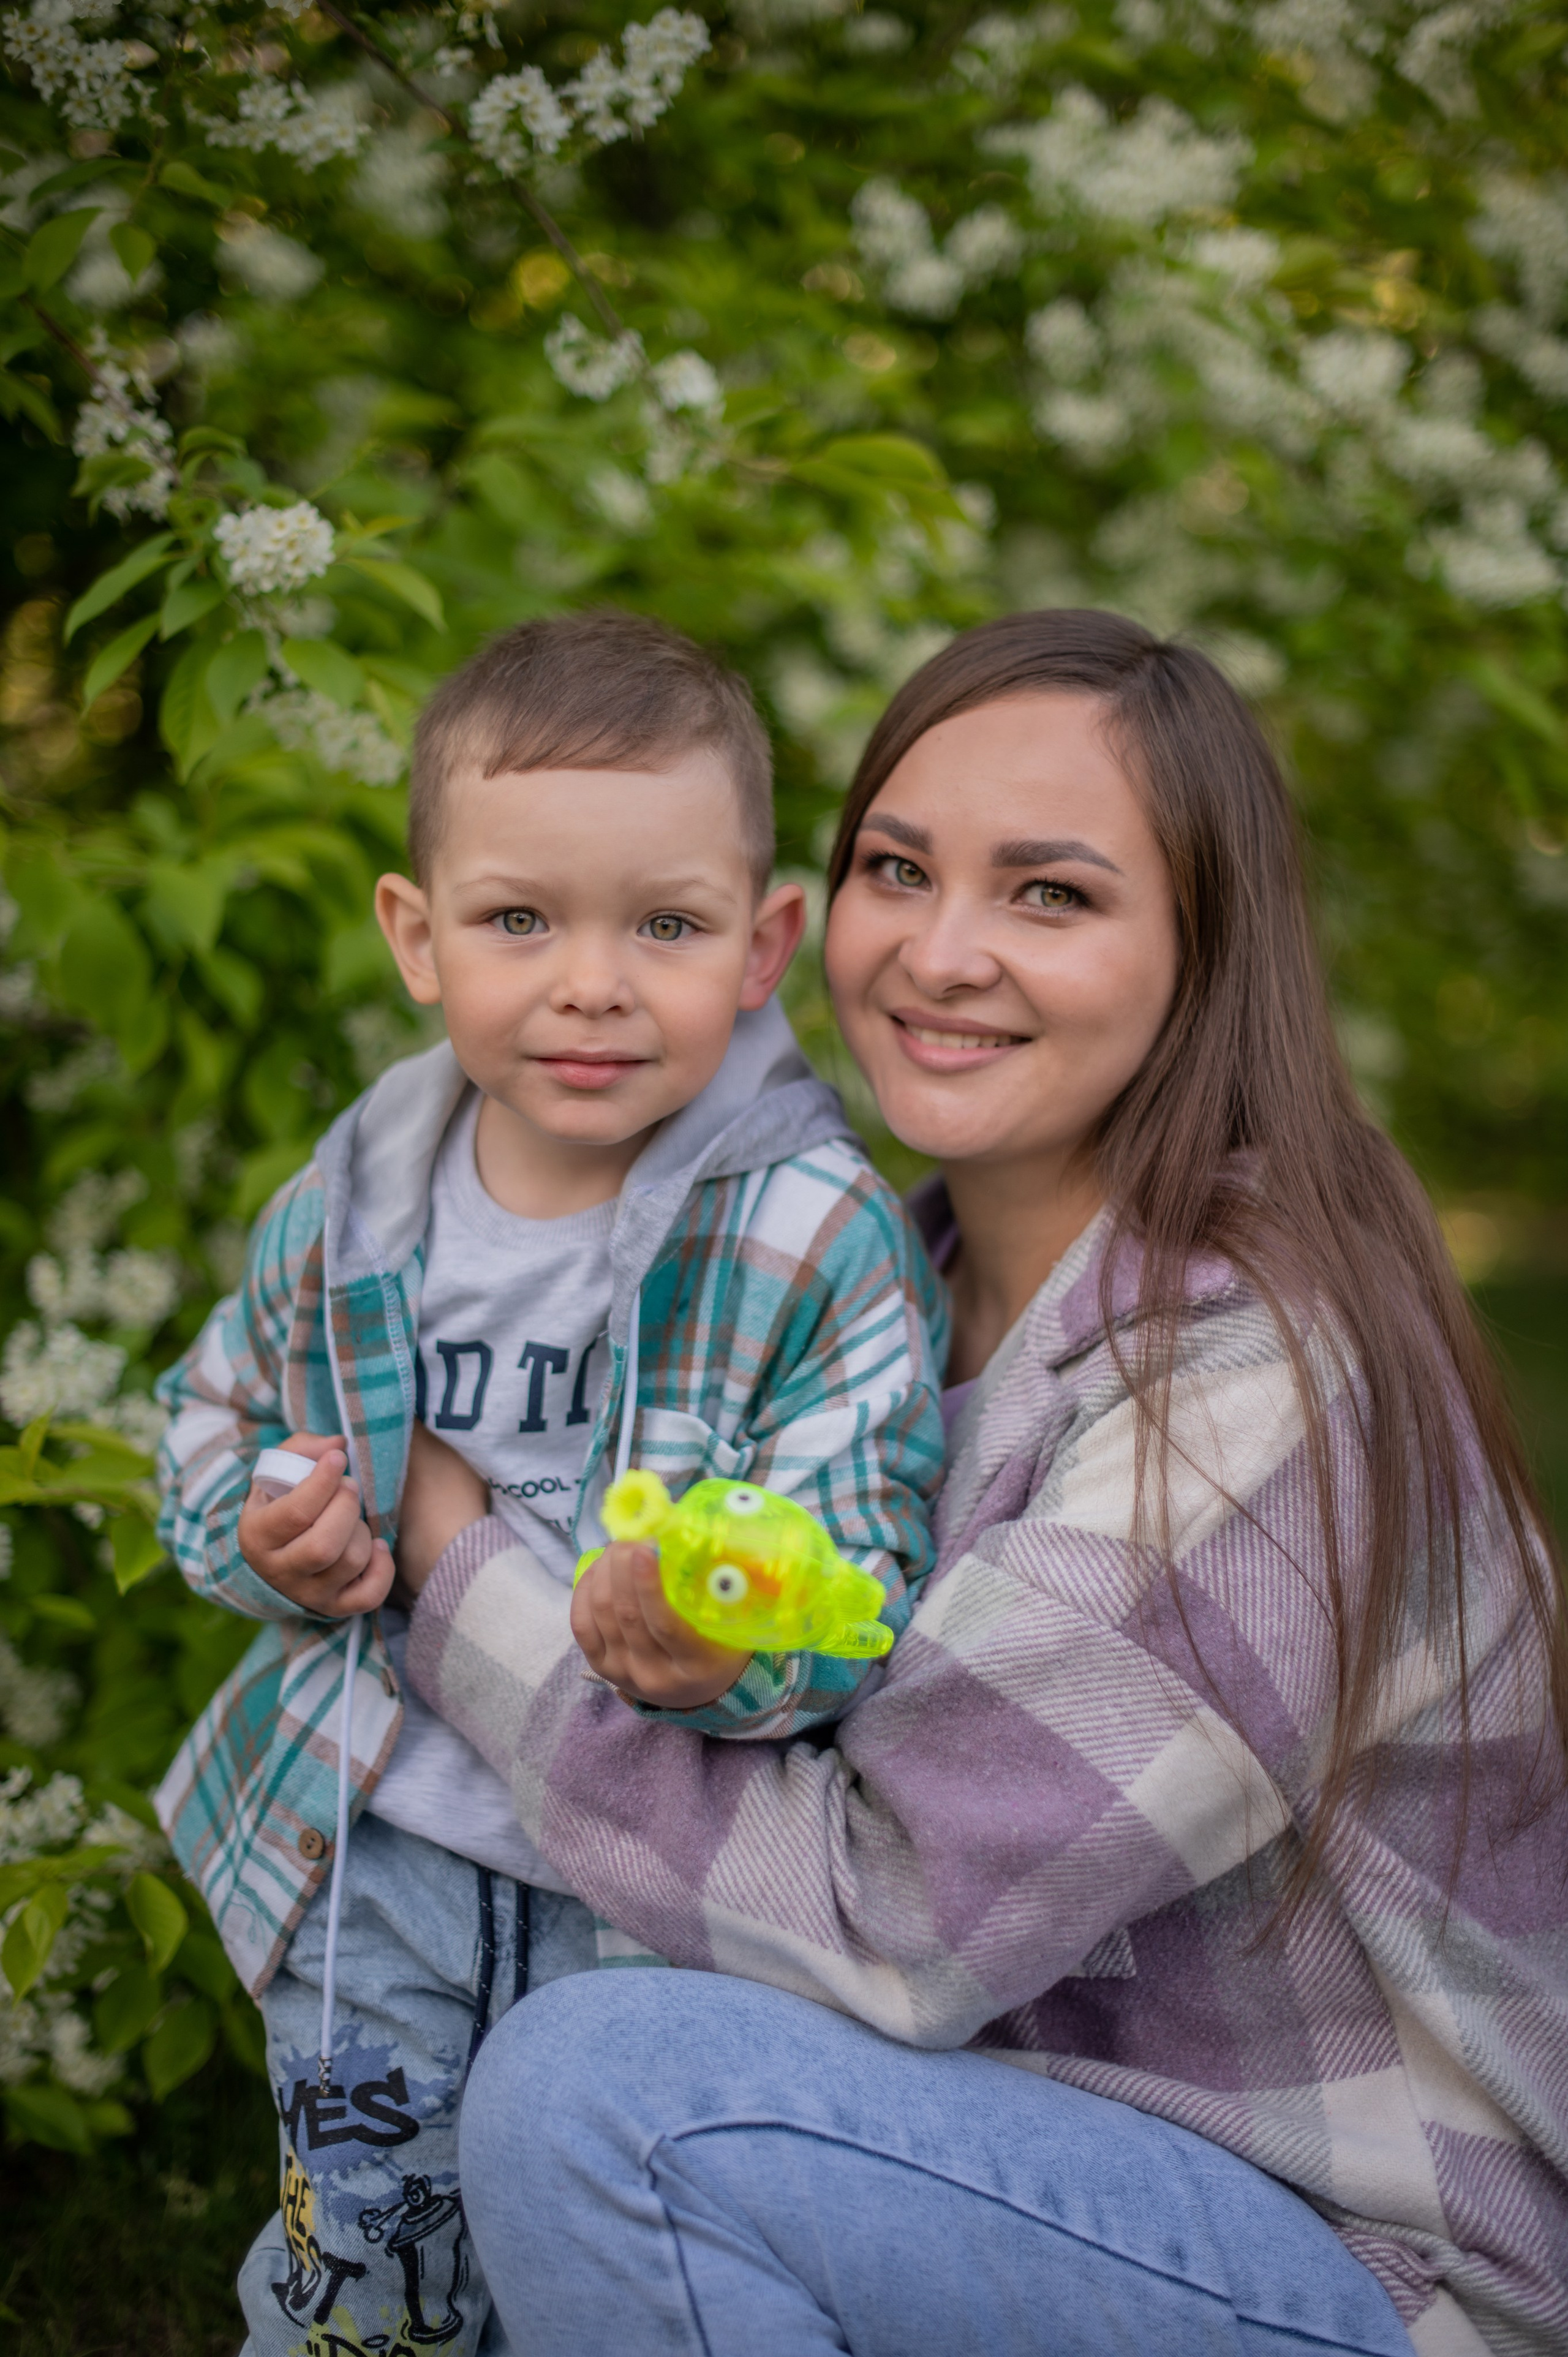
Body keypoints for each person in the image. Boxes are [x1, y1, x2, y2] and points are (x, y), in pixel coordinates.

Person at [394, 610, 1568, 2357]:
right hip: (1035, 2162)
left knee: (613, 2097)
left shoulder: (1250, 1381)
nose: (944, 953)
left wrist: (449, 1543)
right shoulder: (882, 1293)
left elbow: (893, 1922)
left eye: (1053, 895)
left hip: (1365, 2277)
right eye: (898, 868)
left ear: (1203, 953)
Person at [151, 611, 945, 2357]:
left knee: (606, 2265)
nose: (592, 982)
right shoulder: (355, 1203)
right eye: (520, 921)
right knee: (366, 2277)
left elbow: (866, 1559)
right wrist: (267, 1534)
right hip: (380, 1850)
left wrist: (739, 1652)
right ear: (417, 939)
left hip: (657, 1890)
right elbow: (211, 1422)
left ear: (763, 946)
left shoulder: (812, 1233)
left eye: (664, 925)